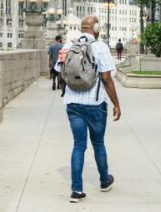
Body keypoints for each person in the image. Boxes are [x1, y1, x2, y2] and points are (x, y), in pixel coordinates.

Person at [54, 15, 121, 203]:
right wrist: (116, 104)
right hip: (95, 105)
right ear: (97, 28)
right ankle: (104, 181)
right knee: (98, 143)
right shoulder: (101, 47)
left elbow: (59, 73)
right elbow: (106, 78)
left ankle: (76, 190)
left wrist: (68, 90)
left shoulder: (68, 46)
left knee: (79, 145)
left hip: (73, 104)